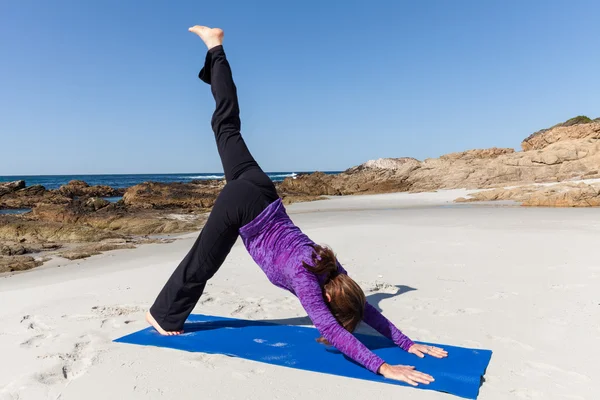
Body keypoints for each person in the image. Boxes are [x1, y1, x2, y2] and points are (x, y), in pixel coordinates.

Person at [146, 25, 448, 386]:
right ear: (328, 298)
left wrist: (406, 342)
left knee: (226, 125)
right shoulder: (309, 281)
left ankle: (216, 49)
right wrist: (384, 367)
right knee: (203, 260)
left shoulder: (331, 263)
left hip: (263, 191)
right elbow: (334, 333)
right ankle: (164, 315)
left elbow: (365, 308)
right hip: (244, 206)